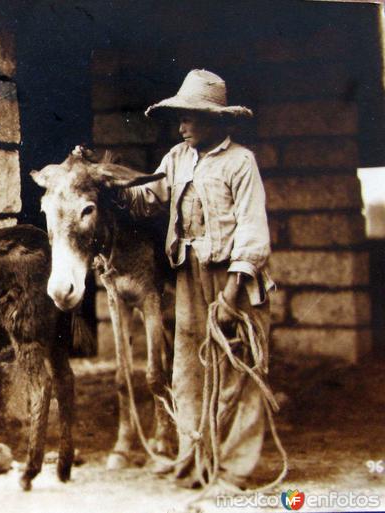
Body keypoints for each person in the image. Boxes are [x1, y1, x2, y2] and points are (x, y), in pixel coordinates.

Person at [126, 69, 275, 488]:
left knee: (237, 367)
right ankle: (194, 460)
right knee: (187, 368)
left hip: (233, 276)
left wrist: (231, 293)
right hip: (188, 274)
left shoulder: (240, 161)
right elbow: (147, 196)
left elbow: (252, 227)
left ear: (216, 119)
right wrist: (106, 182)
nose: (182, 125)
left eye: (190, 117)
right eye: (180, 117)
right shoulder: (176, 158)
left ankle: (233, 468)